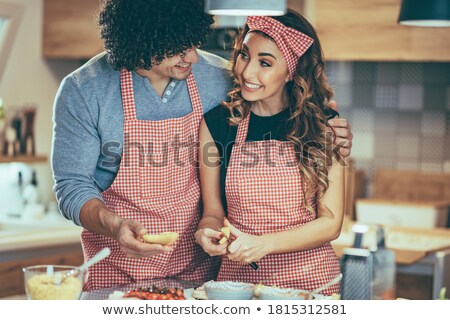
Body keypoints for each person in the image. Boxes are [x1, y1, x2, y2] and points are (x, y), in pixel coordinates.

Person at [51, 0, 352, 290]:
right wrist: (115, 226)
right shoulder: (85, 90)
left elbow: (282, 102)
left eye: (194, 42)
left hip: (202, 275)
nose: (193, 58)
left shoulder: (221, 78)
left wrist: (332, 131)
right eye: (179, 49)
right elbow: (72, 186)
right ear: (141, 44)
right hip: (118, 270)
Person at [195, 10, 344, 295]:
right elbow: (213, 211)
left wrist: (264, 244)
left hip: (310, 285)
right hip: (238, 287)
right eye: (243, 55)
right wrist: (207, 232)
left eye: (265, 63)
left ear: (292, 71)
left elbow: (331, 222)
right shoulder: (217, 124)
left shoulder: (325, 124)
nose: (247, 72)